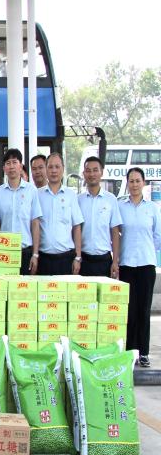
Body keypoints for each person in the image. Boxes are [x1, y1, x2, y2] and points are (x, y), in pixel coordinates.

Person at [118, 167, 161, 367]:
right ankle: (131, 351)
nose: (134, 184)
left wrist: (147, 249)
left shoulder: (152, 208)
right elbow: (116, 233)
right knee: (130, 310)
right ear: (127, 183)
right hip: (126, 264)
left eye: (138, 181)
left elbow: (157, 236)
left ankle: (143, 352)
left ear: (143, 183)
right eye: (131, 181)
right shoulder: (121, 207)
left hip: (146, 264)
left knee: (144, 309)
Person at [0, 148, 42, 275]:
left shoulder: (31, 191)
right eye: (8, 163)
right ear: (4, 168)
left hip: (25, 251)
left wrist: (35, 254)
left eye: (15, 162)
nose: (11, 166)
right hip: (4, 250)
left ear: (21, 166)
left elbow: (35, 223)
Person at [37, 153, 84, 276]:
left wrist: (78, 257)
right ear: (46, 169)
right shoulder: (37, 195)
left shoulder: (71, 195)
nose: (54, 170)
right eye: (50, 167)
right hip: (43, 258)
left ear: (63, 169)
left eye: (57, 167)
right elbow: (34, 226)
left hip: (66, 258)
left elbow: (77, 227)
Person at [78, 156, 122, 278]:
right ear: (84, 174)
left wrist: (115, 262)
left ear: (101, 172)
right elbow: (75, 230)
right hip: (83, 260)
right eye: (88, 170)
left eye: (95, 170)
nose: (92, 174)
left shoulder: (111, 199)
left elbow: (115, 232)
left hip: (104, 261)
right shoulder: (78, 200)